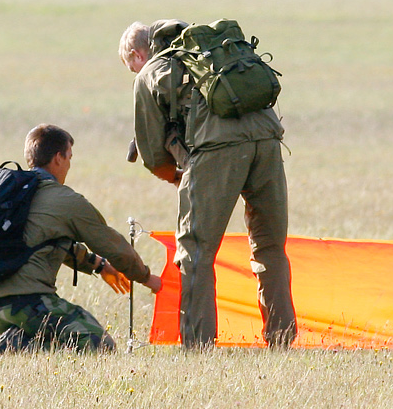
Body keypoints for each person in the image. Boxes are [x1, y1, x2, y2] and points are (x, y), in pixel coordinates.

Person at [118, 20, 297, 349]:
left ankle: (198, 345)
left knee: (195, 252)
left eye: (130, 66)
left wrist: (178, 177)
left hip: (218, 151)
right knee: (270, 248)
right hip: (268, 141)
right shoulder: (207, 58)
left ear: (137, 54)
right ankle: (281, 338)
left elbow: (153, 155)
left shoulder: (151, 73)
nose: (133, 72)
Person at [0, 123, 162, 355]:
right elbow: (113, 245)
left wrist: (98, 266)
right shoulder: (64, 200)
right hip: (25, 304)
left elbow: (48, 242)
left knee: (48, 332)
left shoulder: (12, 193)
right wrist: (147, 278)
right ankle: (18, 346)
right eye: (69, 156)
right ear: (58, 158)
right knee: (99, 345)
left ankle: (20, 338)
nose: (69, 164)